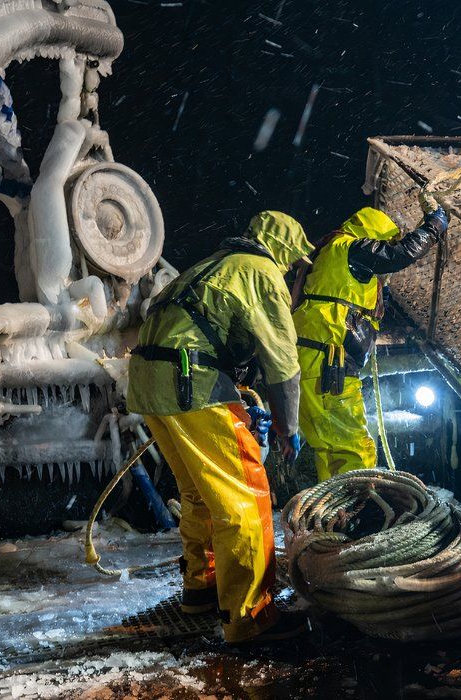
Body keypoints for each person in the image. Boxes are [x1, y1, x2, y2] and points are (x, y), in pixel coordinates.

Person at [127, 210, 312, 644]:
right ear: (284, 251)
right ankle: (250, 617)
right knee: (245, 501)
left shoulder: (213, 264)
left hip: (149, 382)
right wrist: (288, 425)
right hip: (191, 383)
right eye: (295, 262)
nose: (293, 271)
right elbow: (284, 363)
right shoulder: (262, 272)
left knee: (199, 493)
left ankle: (202, 584)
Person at [293, 204, 447, 480]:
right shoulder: (353, 248)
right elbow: (401, 255)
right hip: (330, 363)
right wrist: (434, 226)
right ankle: (358, 512)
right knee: (355, 448)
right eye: (385, 242)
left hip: (316, 360)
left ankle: (332, 513)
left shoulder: (331, 254)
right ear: (374, 234)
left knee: (329, 447)